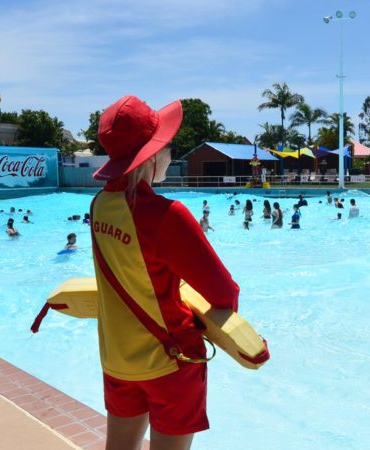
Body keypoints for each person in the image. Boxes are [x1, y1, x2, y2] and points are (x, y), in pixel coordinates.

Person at [88, 95, 239, 450]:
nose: (171, 153)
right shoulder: (166, 214)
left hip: (118, 357)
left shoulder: (98, 207)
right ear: (153, 154)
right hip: (170, 362)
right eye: (167, 145)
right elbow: (223, 292)